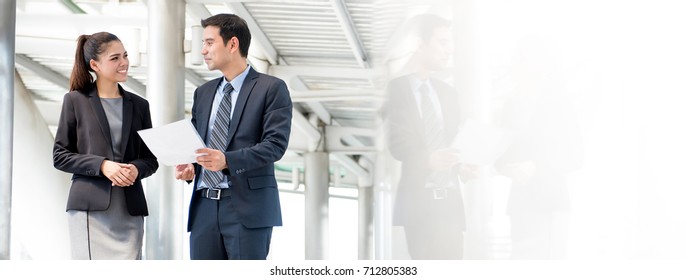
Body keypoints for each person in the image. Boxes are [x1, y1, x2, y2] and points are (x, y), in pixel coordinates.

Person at [174, 13, 293, 260]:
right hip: (204, 207)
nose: (203, 50)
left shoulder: (271, 88)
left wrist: (227, 161)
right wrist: (191, 166)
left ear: (232, 44)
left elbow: (275, 145)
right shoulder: (203, 93)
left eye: (209, 42)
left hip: (247, 209)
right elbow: (200, 146)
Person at [52, 32, 158, 260]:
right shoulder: (75, 101)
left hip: (129, 210)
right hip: (90, 209)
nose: (124, 63)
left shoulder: (140, 105)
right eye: (115, 58)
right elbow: (60, 155)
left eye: (126, 56)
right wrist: (102, 166)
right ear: (94, 65)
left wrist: (136, 168)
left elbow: (150, 159)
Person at [384, 14, 475, 260]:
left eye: (451, 43)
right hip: (419, 205)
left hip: (451, 206)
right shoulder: (396, 89)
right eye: (442, 43)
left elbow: (455, 142)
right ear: (420, 44)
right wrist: (428, 160)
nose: (449, 50)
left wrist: (462, 165)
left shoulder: (448, 93)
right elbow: (397, 143)